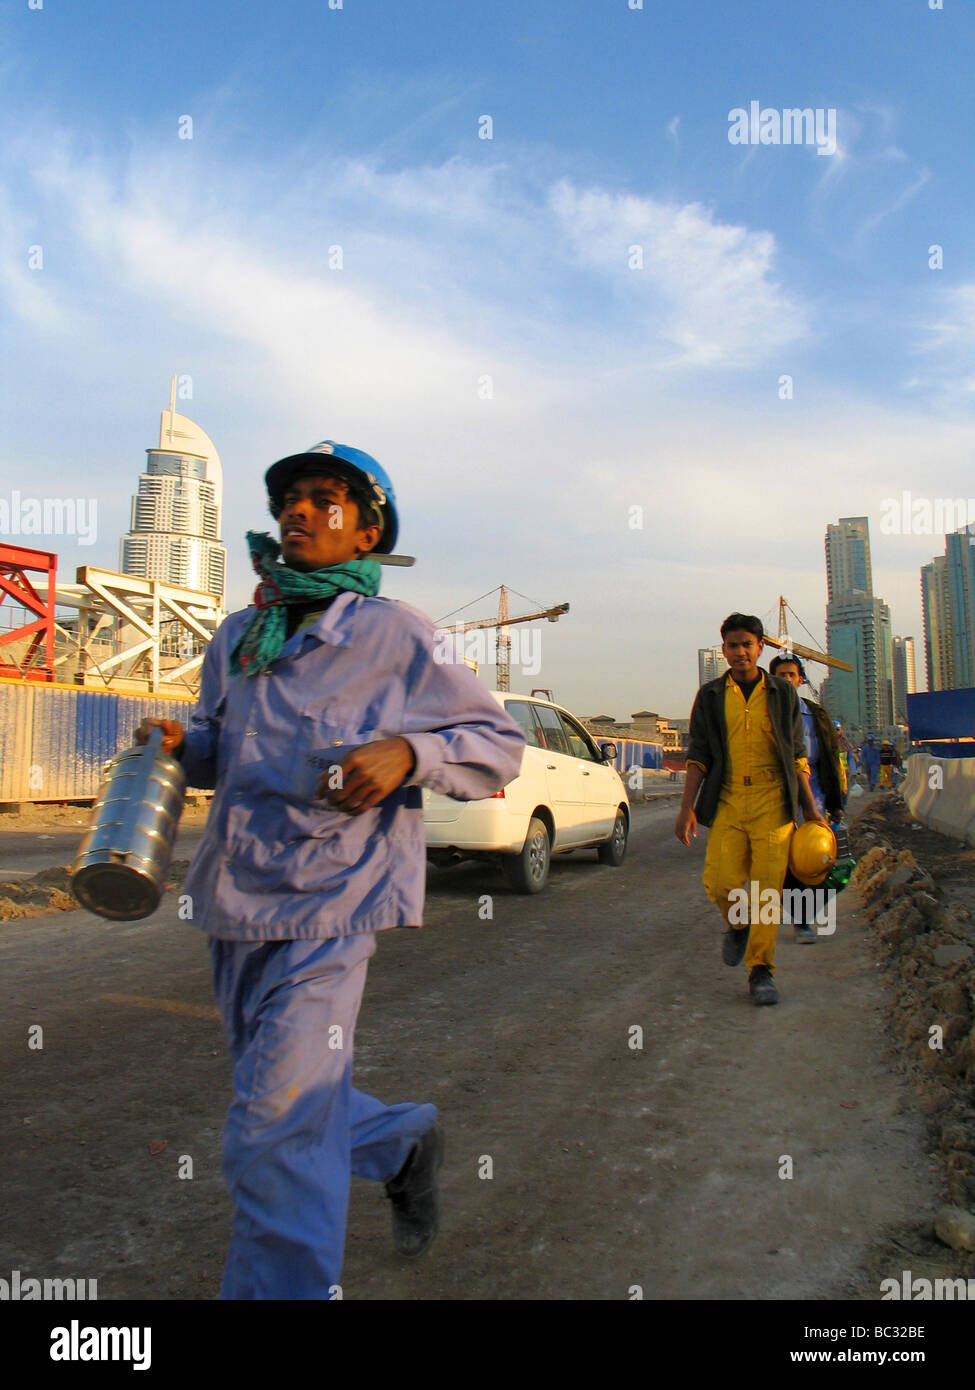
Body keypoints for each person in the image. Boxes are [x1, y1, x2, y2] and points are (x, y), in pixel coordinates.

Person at [135, 439, 525, 1299]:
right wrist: (185, 745)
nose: (300, 511)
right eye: (290, 500)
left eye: (325, 498)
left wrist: (407, 751)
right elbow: (225, 750)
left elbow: (498, 746)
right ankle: (399, 1142)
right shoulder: (241, 636)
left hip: (331, 908)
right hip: (234, 907)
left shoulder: (397, 636)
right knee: (284, 1103)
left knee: (274, 1121)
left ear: (366, 532)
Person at [674, 614, 828, 1006]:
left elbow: (797, 755)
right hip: (727, 800)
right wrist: (686, 808)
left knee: (766, 893)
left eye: (747, 644)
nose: (739, 652)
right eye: (732, 645)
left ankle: (761, 971)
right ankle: (738, 924)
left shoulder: (782, 693)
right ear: (723, 649)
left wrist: (810, 810)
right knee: (720, 883)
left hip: (773, 804)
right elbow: (699, 755)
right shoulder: (709, 696)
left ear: (760, 647)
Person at [767, 654, 844, 944]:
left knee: (819, 860)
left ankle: (807, 911)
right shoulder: (764, 714)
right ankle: (801, 921)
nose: (787, 680)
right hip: (779, 798)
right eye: (780, 675)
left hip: (816, 796)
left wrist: (836, 801)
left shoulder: (817, 715)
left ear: (800, 679)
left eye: (791, 675)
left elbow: (829, 758)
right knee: (789, 863)